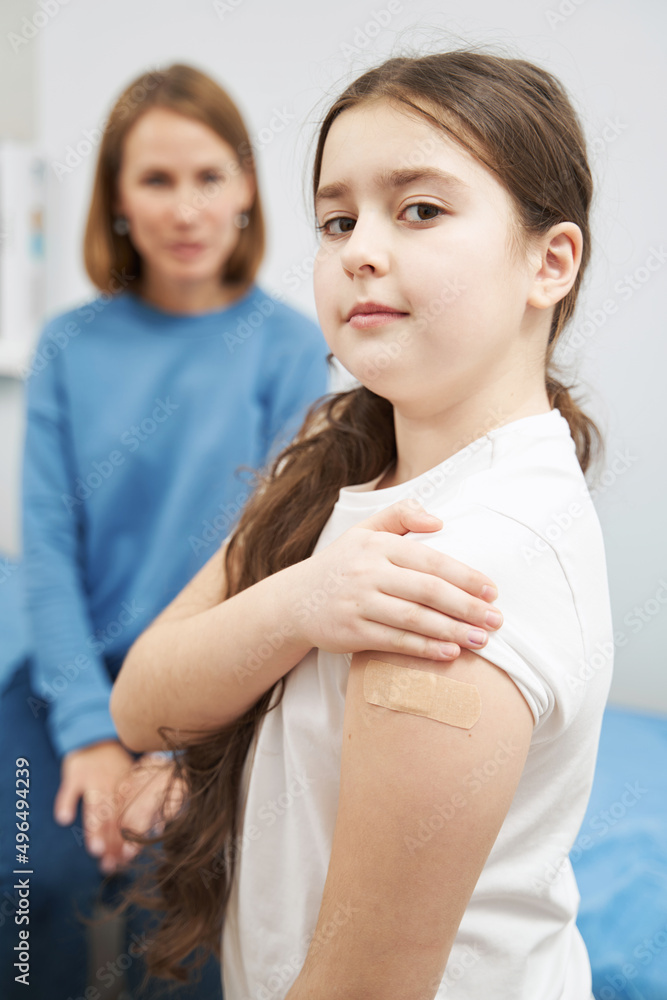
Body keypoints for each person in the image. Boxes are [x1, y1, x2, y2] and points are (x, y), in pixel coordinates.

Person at [109, 49, 613, 1000]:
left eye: (418, 208)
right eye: (337, 219)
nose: (357, 249)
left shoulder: (460, 567)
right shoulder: (340, 447)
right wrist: (303, 599)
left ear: (550, 261)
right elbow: (141, 701)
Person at [0, 62, 334, 1000]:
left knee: (176, 881)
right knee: (33, 877)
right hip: (69, 682)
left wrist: (176, 750)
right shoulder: (69, 347)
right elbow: (48, 557)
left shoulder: (290, 347)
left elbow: (273, 563)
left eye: (208, 176)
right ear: (114, 199)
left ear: (247, 191)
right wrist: (91, 738)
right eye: (155, 180)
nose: (185, 208)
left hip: (214, 690)